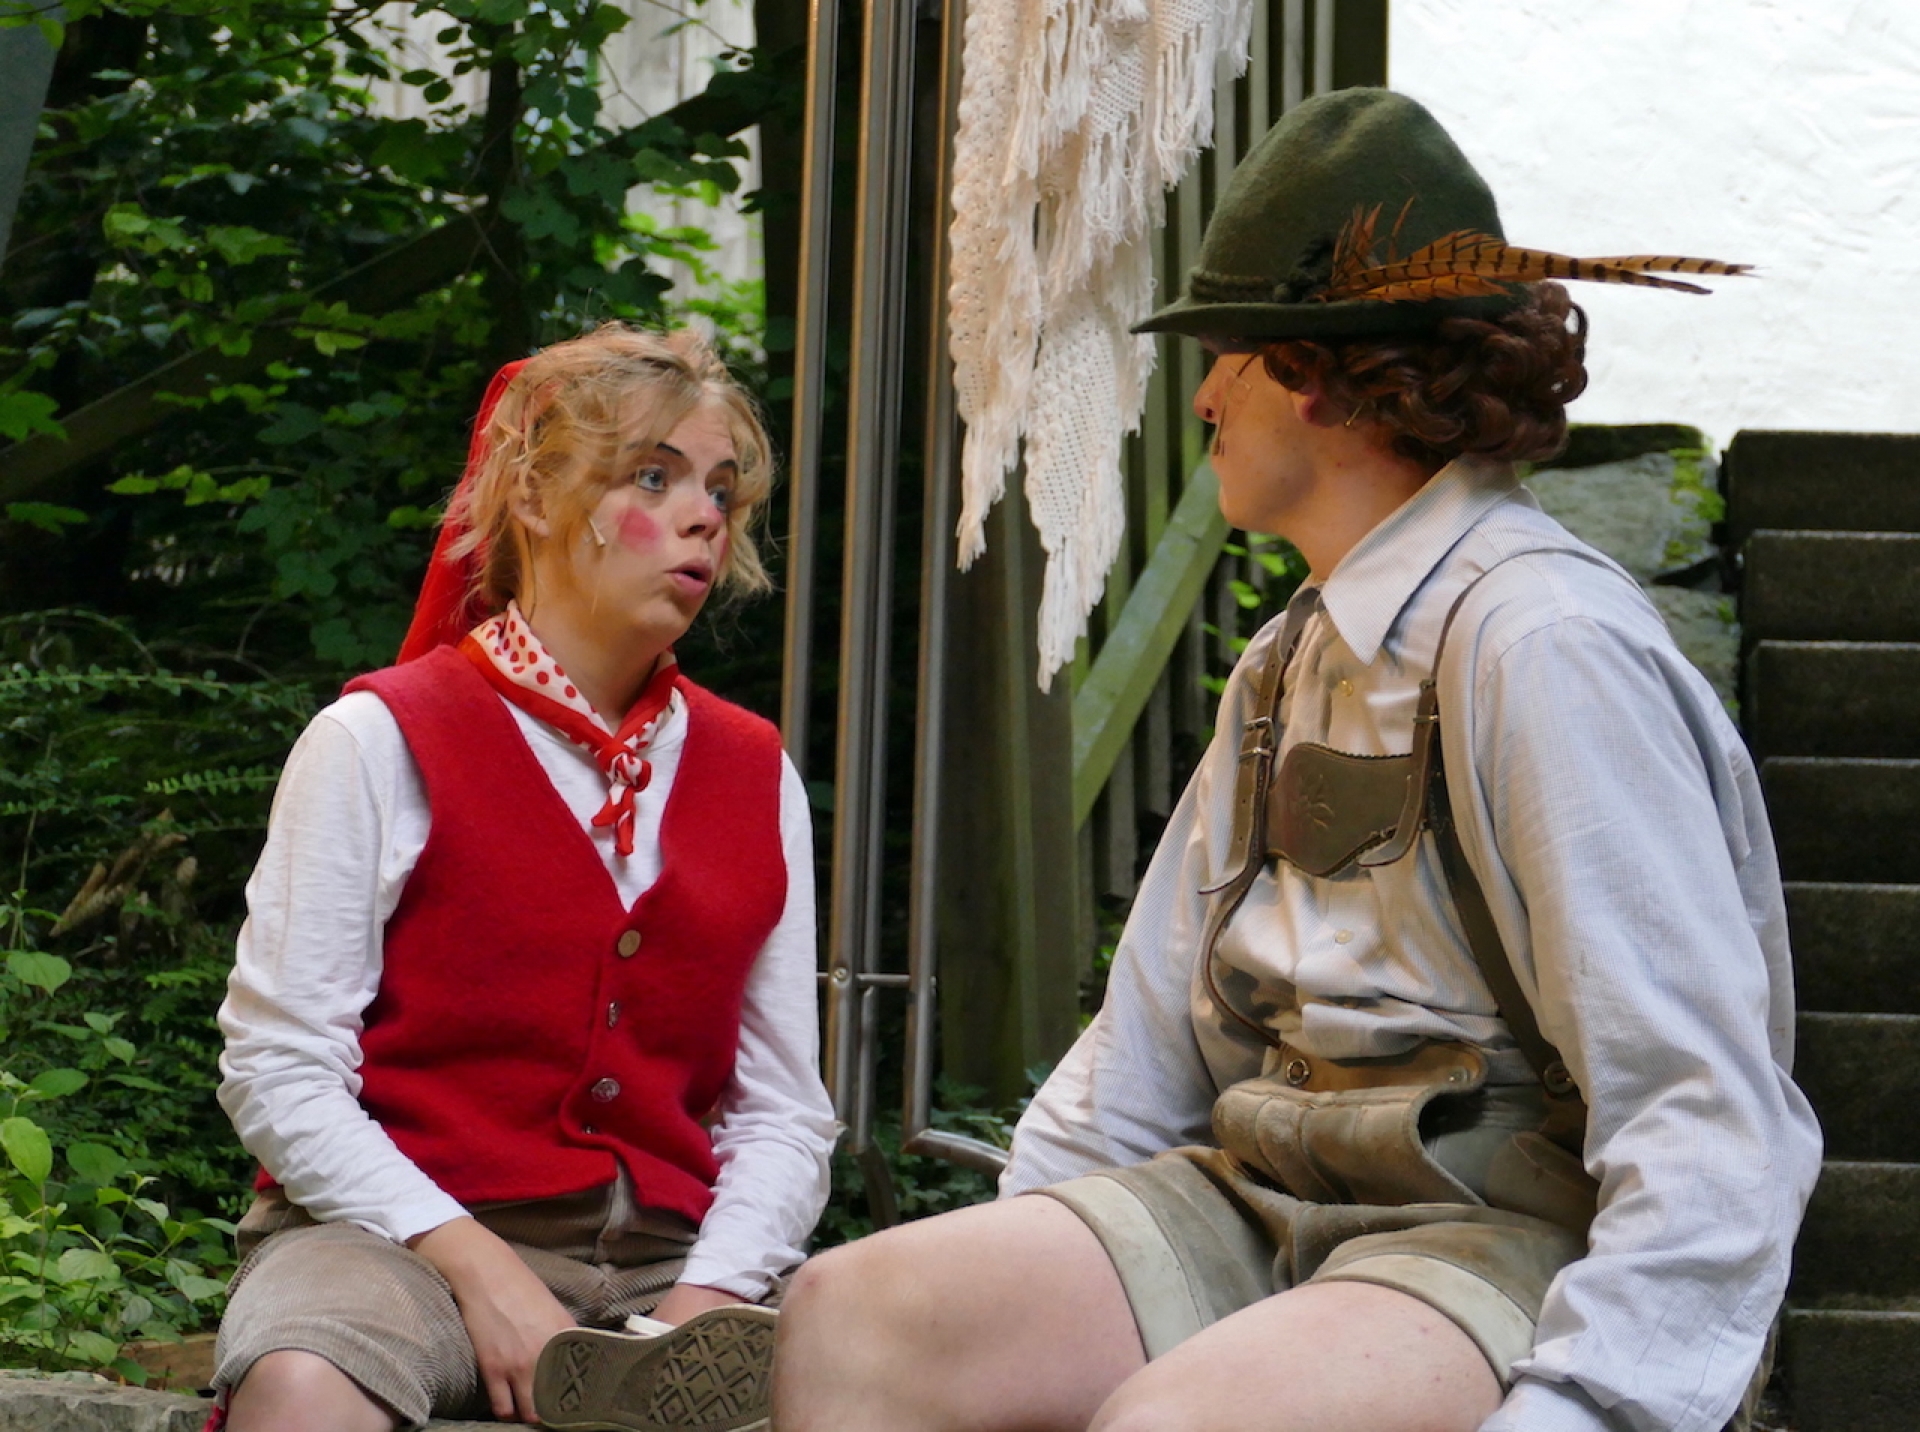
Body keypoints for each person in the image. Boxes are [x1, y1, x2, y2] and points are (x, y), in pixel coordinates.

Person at [771, 89, 1820, 1432]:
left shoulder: (1543, 642)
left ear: (1318, 373)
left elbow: (1701, 1105)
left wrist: (1593, 1402)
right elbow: (1146, 1038)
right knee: (858, 1316)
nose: (1205, 395)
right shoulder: (1286, 658)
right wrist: (1039, 1252)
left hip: (1498, 1230)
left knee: (1180, 1424)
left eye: (1229, 357)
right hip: (1260, 1190)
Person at [208, 325, 836, 1432]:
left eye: (721, 489)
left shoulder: (754, 770)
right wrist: (475, 1265)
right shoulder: (378, 742)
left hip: (673, 1260)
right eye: (654, 476)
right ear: (535, 496)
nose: (703, 515)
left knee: (896, 1373)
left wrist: (705, 1302)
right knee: (305, 1385)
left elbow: (783, 1112)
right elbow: (280, 1065)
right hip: (396, 1243)